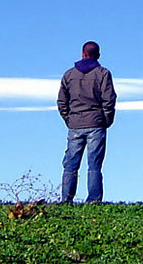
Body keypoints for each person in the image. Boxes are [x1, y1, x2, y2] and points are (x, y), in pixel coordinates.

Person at [57, 41, 117, 204]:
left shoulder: (69, 75)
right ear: (98, 55)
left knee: (71, 164)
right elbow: (109, 99)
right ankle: (93, 200)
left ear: (82, 54)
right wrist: (106, 119)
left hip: (75, 124)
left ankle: (66, 199)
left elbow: (62, 101)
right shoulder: (103, 73)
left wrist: (69, 119)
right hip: (96, 123)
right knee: (94, 165)